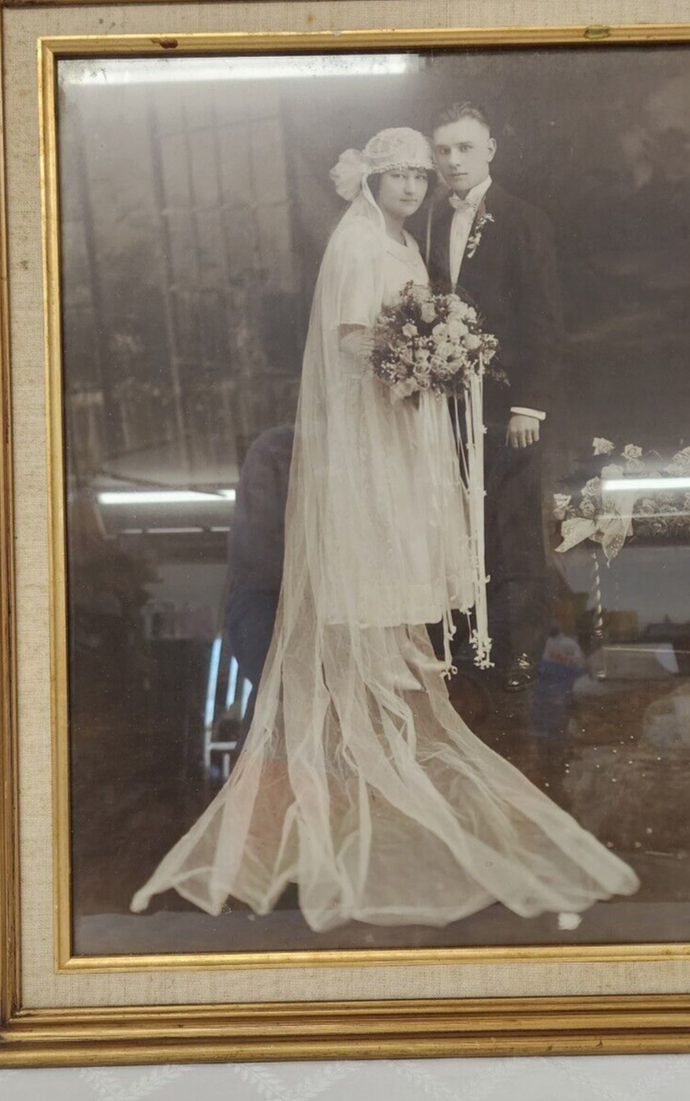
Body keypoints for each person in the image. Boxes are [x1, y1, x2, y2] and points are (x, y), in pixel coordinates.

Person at [130, 127, 638, 931]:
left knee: (419, 602)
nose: (410, 186)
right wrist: (419, 358)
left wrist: (442, 355)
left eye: (416, 175)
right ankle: (356, 813)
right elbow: (353, 342)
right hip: (376, 431)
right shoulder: (359, 245)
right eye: (396, 175)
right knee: (375, 604)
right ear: (369, 181)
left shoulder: (409, 241)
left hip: (410, 426)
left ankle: (396, 771)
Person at [427, 101, 563, 691]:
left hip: (509, 405)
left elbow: (544, 319)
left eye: (464, 148)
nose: (453, 160)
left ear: (489, 150)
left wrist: (528, 405)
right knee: (459, 523)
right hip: (445, 407)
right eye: (443, 150)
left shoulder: (523, 219)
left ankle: (522, 655)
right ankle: (469, 648)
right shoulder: (428, 220)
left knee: (515, 528)